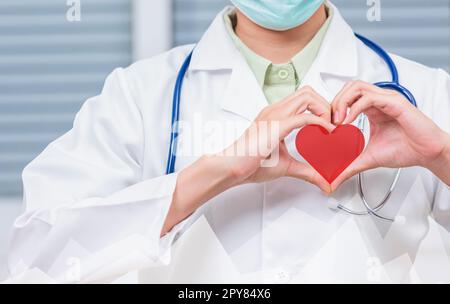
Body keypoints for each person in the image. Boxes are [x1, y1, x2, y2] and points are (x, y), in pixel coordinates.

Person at [8, 1, 450, 283]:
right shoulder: (141, 96)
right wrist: (214, 175)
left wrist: (440, 155)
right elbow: (32, 261)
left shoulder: (422, 93)